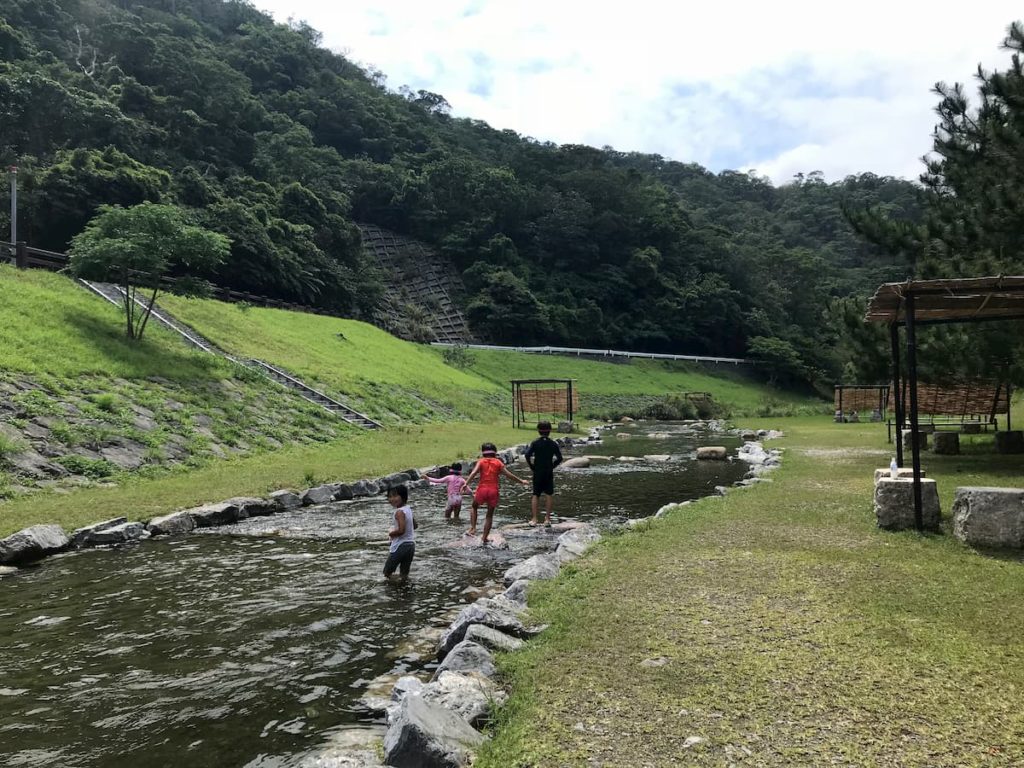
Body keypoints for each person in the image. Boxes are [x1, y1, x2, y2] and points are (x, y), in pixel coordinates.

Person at [466, 443, 527, 545]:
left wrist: (466, 483)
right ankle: (484, 538)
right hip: (493, 491)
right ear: (495, 452)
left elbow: (473, 473)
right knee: (489, 515)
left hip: (482, 489)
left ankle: (473, 528)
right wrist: (521, 481)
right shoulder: (498, 462)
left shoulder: (481, 461)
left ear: (483, 452)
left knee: (474, 507)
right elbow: (509, 475)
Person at [525, 421, 563, 527]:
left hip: (537, 471)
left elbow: (527, 455)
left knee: (535, 494)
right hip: (548, 471)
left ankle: (534, 519)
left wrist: (532, 466)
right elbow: (560, 458)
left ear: (538, 431)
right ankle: (547, 519)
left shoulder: (535, 443)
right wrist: (553, 466)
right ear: (550, 431)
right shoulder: (553, 443)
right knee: (549, 494)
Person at [384, 484, 417, 583]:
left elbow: (401, 530)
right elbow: (415, 526)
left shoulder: (399, 512)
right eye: (389, 496)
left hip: (400, 546)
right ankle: (404, 590)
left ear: (403, 496)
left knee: (387, 573)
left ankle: (395, 588)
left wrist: (391, 533)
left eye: (395, 496)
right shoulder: (408, 509)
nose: (392, 499)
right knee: (404, 573)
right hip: (411, 545)